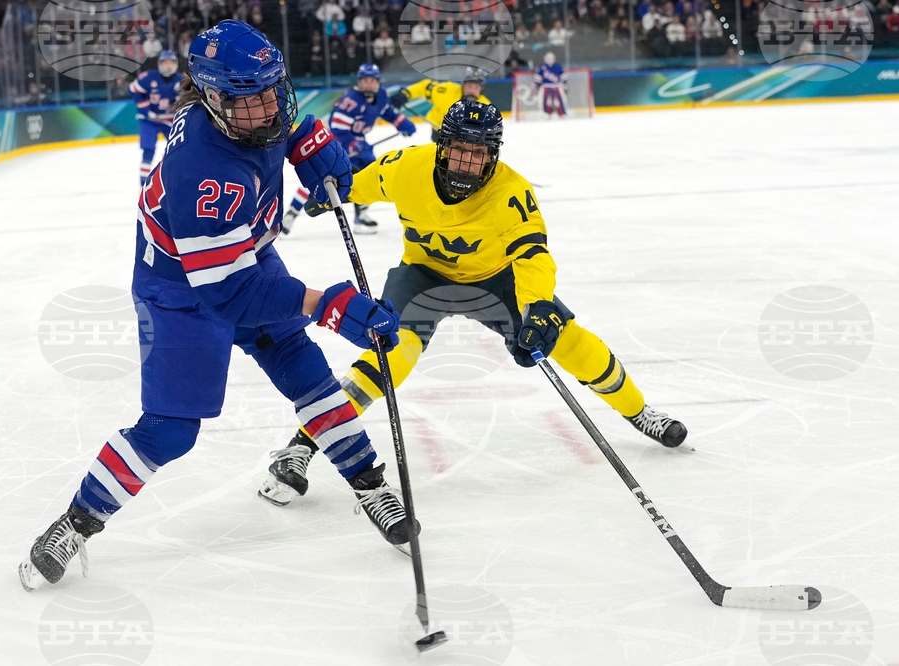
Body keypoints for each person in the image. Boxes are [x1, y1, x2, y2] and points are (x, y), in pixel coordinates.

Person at [18, 20, 414, 592]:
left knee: (307, 372)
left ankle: (369, 483)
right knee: (171, 431)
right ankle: (77, 521)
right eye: (248, 99)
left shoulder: (241, 111)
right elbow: (229, 294)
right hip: (184, 292)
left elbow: (273, 119)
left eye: (274, 90)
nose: (267, 107)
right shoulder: (204, 168)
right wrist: (326, 303)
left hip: (242, 257)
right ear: (211, 98)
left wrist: (305, 138)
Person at [266, 101, 689, 507]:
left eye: (478, 154)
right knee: (391, 353)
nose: (465, 164)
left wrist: (538, 307)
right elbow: (358, 183)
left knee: (567, 338)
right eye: (458, 151)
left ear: (493, 157)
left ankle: (638, 411)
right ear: (441, 145)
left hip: (494, 279)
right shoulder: (406, 167)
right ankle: (301, 446)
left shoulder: (512, 193)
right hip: (423, 276)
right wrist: (336, 192)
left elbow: (533, 257)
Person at [282, 63, 416, 236]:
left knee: (369, 174)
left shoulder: (381, 96)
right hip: (333, 144)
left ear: (378, 82)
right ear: (359, 82)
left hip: (359, 144)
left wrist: (401, 122)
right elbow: (337, 128)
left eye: (372, 81)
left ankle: (361, 215)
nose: (369, 84)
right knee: (320, 180)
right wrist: (354, 144)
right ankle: (291, 215)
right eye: (365, 80)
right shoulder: (350, 101)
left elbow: (386, 112)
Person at [388, 67, 491, 142]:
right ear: (463, 85)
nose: (472, 91)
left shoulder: (486, 107)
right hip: (439, 132)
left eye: (476, 88)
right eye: (470, 86)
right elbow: (425, 87)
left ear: (481, 90)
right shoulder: (446, 91)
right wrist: (406, 94)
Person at [129, 50, 185, 186]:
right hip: (149, 121)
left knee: (179, 152)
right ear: (160, 64)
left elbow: (186, 101)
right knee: (148, 152)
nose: (168, 66)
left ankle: (178, 182)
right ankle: (143, 186)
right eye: (165, 62)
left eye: (171, 62)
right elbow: (133, 89)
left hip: (170, 122)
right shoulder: (148, 77)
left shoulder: (181, 81)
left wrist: (179, 104)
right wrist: (145, 109)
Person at [535, 51, 567, 119]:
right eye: (548, 58)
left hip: (557, 86)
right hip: (546, 86)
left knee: (560, 100)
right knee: (545, 100)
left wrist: (565, 83)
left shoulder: (558, 66)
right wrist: (537, 86)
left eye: (551, 58)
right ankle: (547, 113)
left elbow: (563, 75)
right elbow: (538, 77)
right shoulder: (542, 67)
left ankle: (562, 113)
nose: (550, 59)